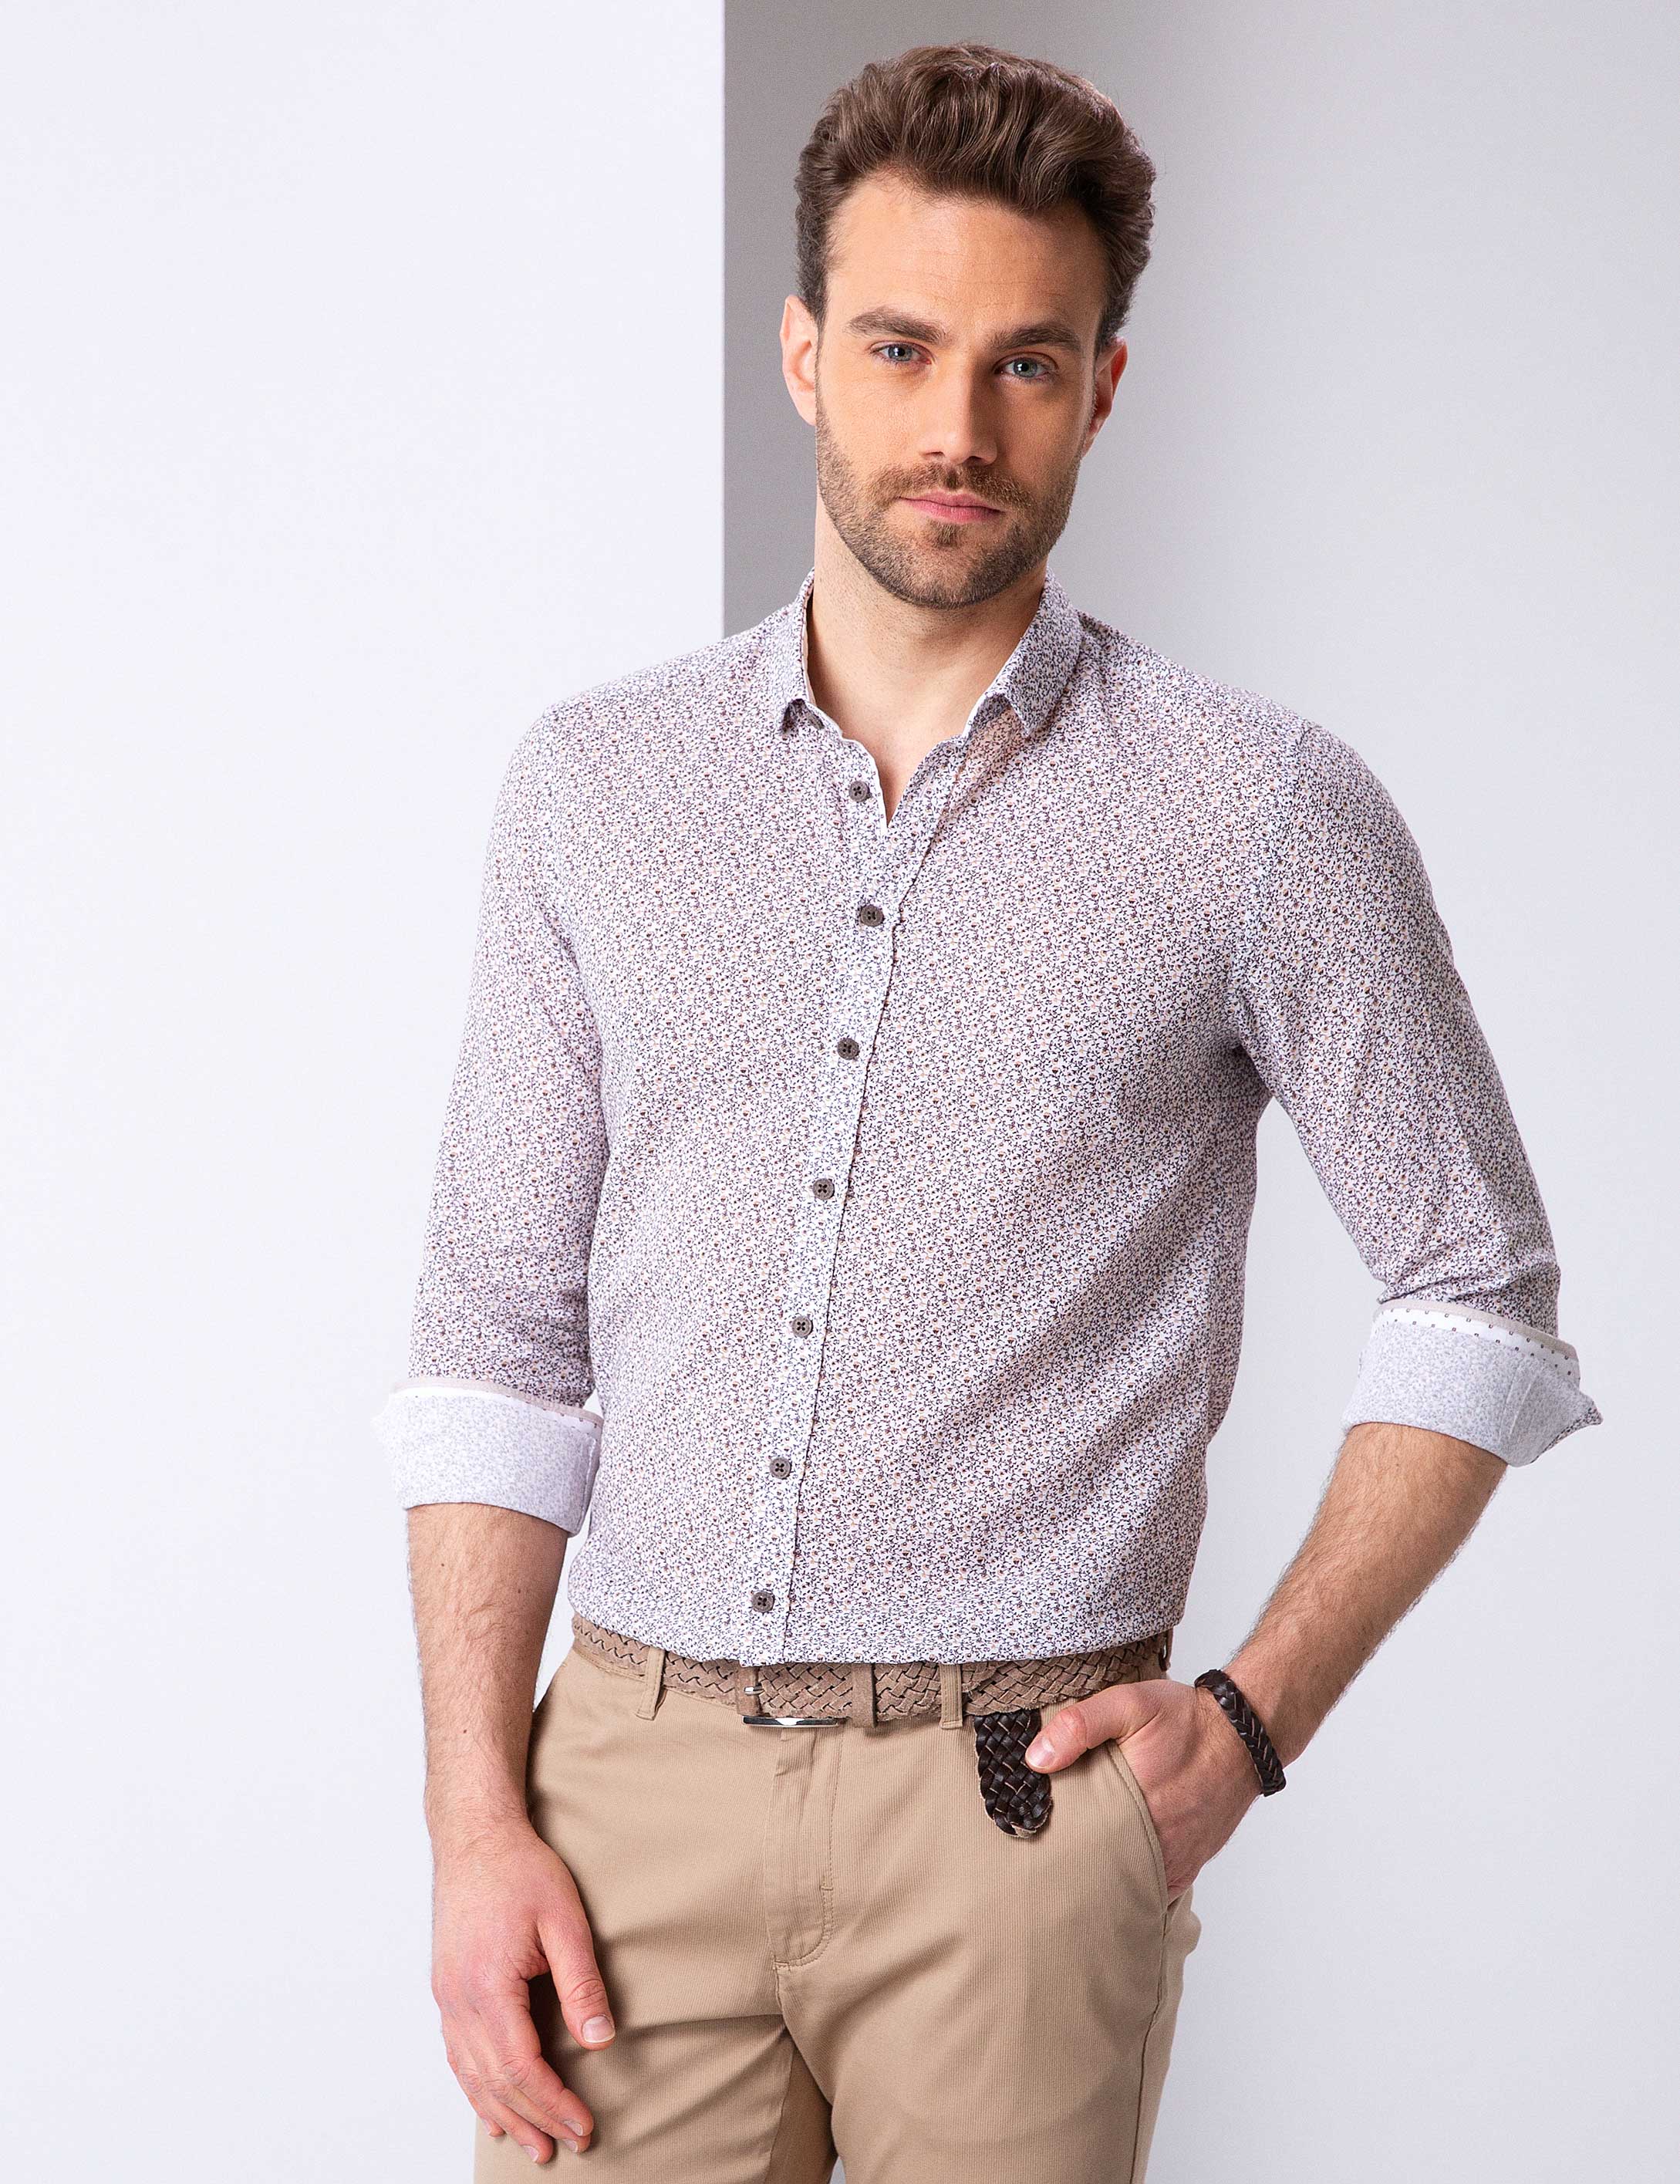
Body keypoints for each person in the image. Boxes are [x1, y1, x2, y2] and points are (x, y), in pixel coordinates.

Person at [374, 39, 1601, 2182]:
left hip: (1016, 1815)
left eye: (1026, 363)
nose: (956, 426)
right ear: (801, 354)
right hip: (625, 1798)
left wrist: (1251, 1723)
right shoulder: (593, 788)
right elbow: (495, 1341)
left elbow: (1478, 1295)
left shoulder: (1257, 811)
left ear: (1103, 389)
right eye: (900, 347)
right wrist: (475, 1821)